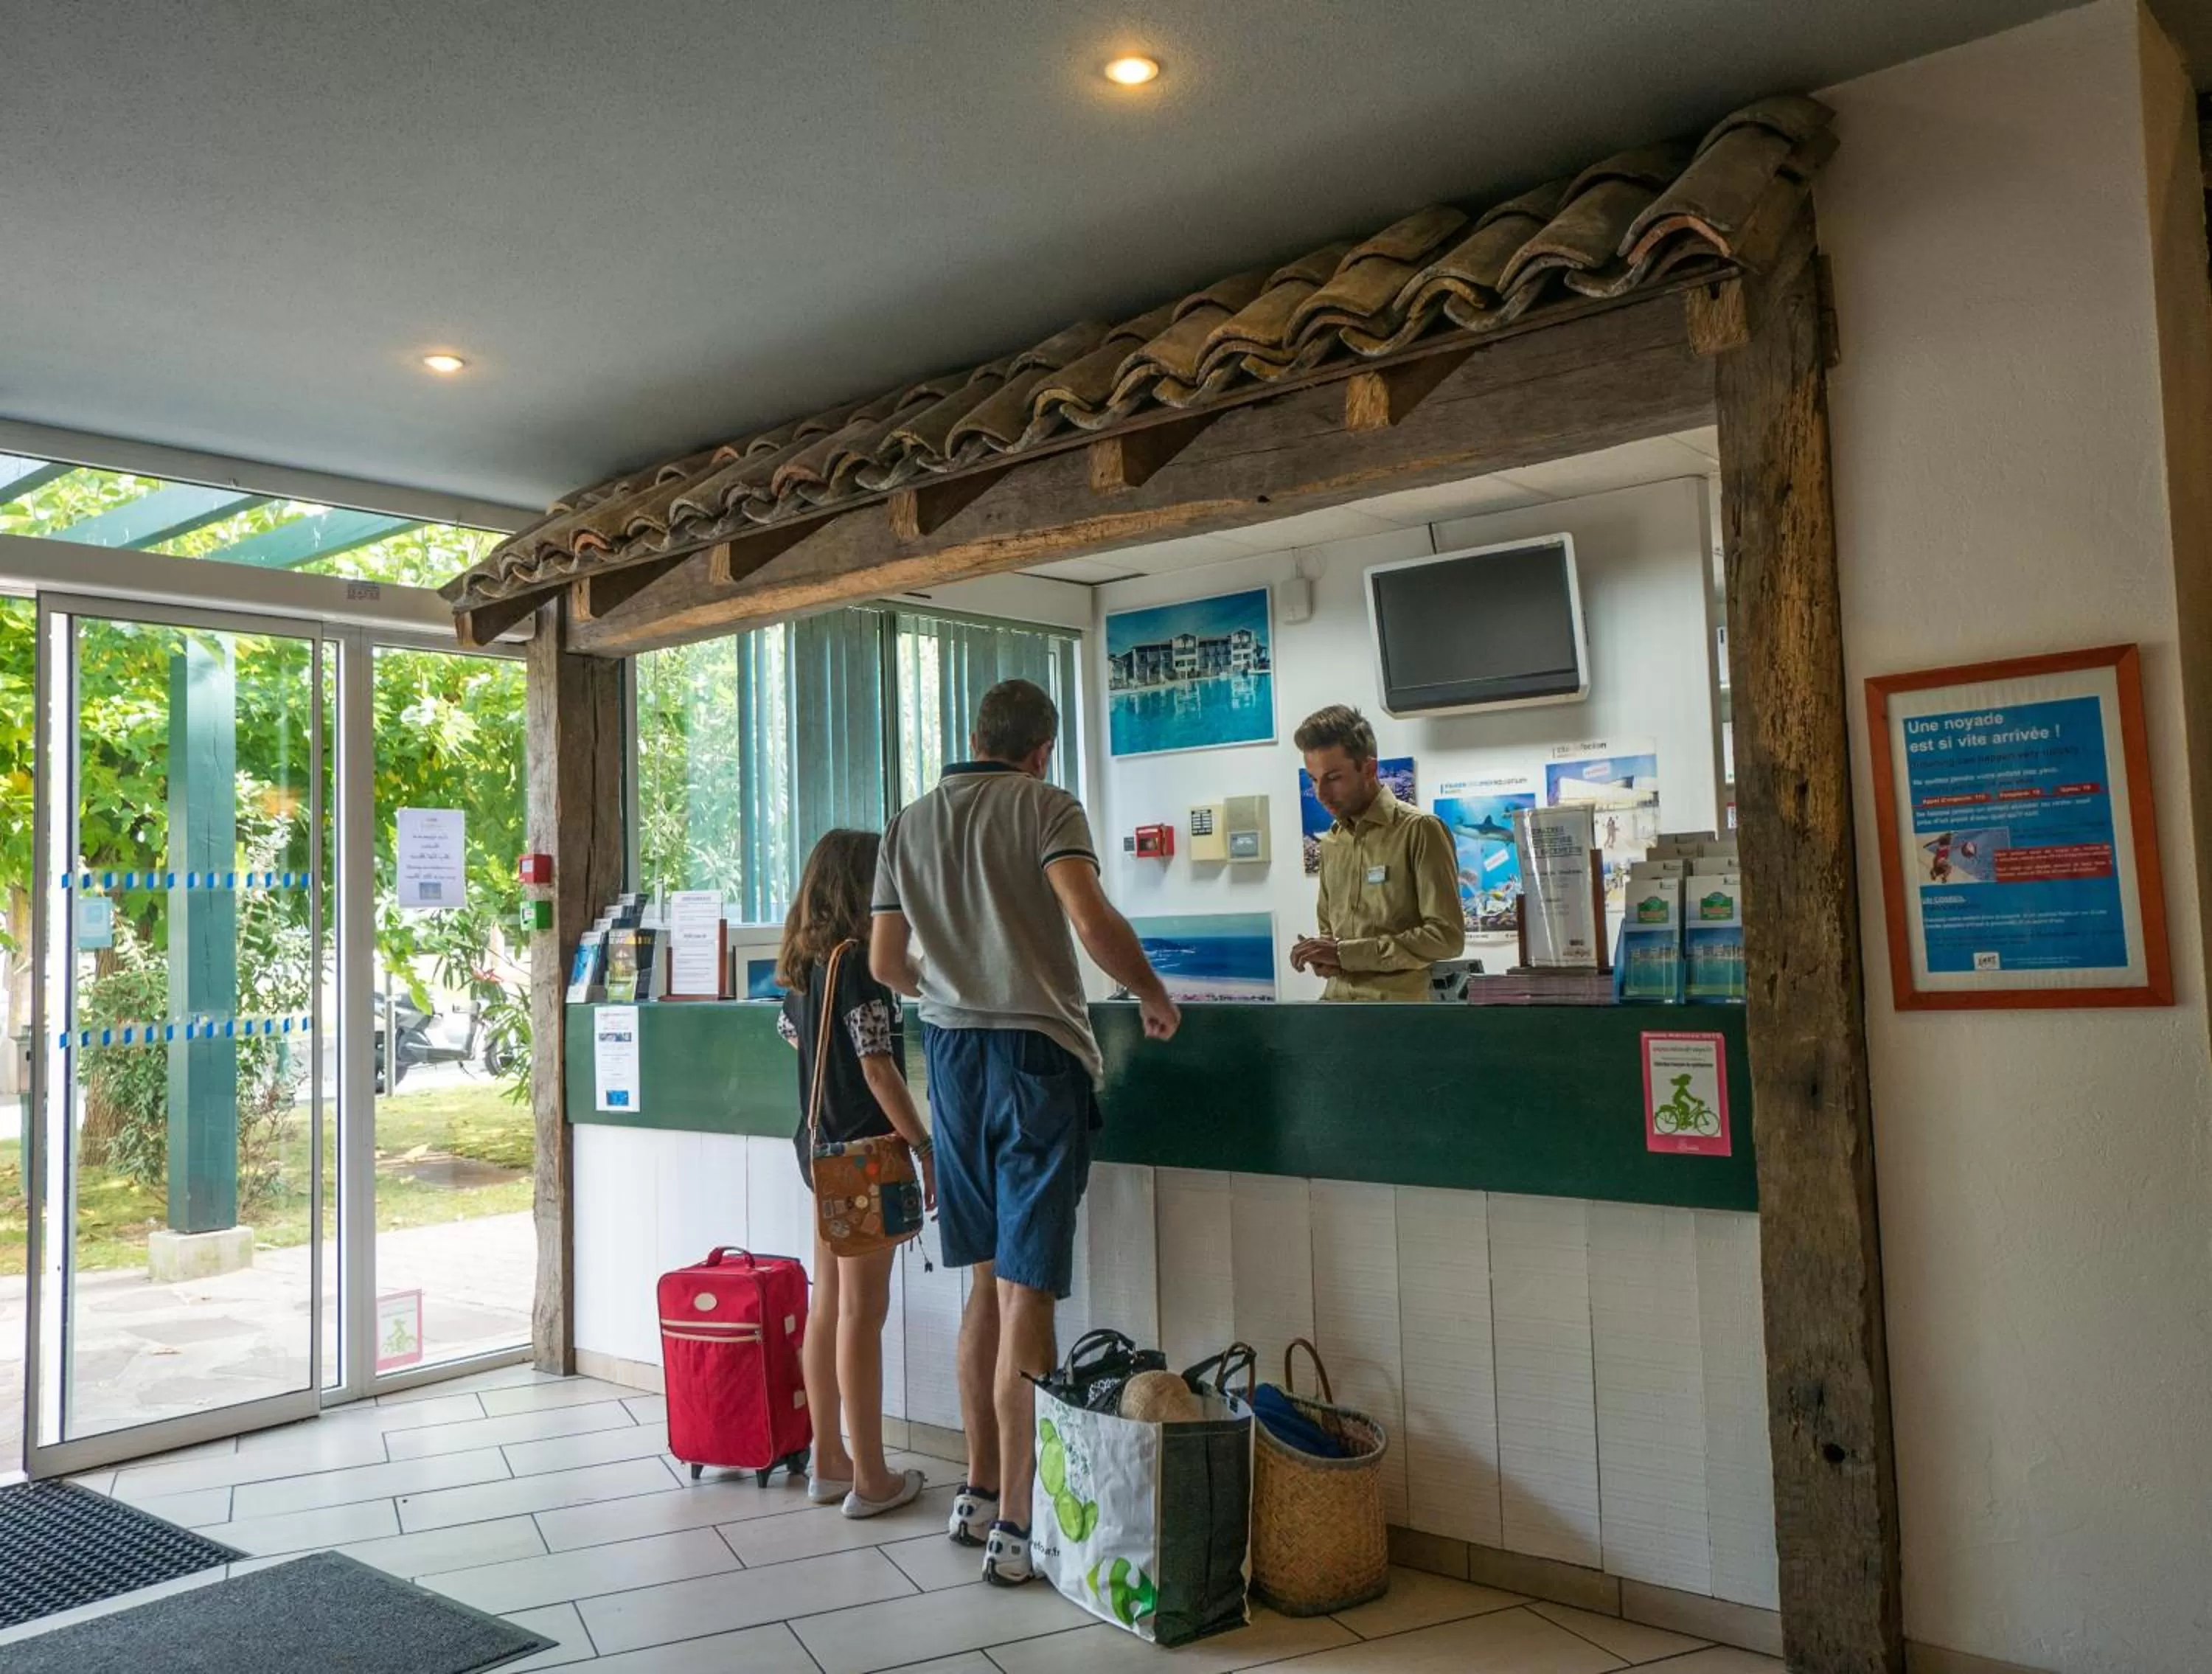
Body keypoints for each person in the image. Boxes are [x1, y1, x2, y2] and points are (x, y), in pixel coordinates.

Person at [870, 678, 1180, 1587]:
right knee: (1028, 1293)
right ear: (1042, 749)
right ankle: (1020, 1523)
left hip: (953, 1062)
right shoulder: (1048, 805)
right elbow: (1087, 917)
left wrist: (953, 981)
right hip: (1037, 1060)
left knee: (982, 1284)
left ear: (975, 734)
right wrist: (1153, 995)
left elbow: (889, 961)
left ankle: (976, 1490)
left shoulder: (909, 823)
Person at [775, 828, 936, 1519]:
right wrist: (924, 1144)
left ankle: (828, 1462)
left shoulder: (802, 969)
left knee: (828, 1308)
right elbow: (877, 1068)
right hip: (864, 1156)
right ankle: (872, 1478)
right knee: (864, 1316)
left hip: (817, 1154)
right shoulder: (862, 965)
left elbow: (800, 1047)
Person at [1289, 704, 1466, 1001]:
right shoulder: (1332, 844)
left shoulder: (1420, 830)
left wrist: (1345, 954)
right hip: (1336, 1013)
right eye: (1314, 780)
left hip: (1396, 1022)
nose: (1321, 794)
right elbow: (1332, 938)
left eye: (1333, 778)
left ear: (1369, 768)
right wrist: (1323, 956)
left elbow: (1446, 938)